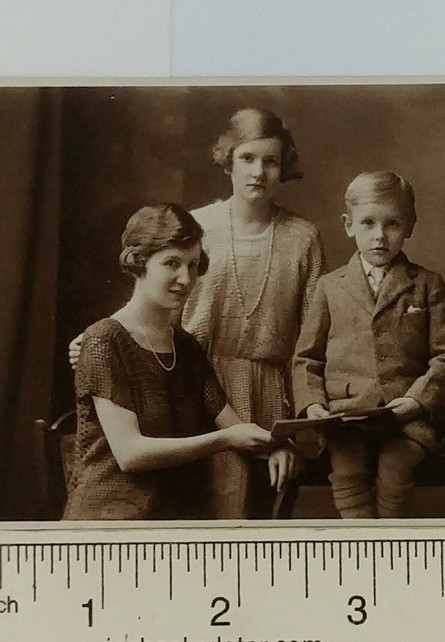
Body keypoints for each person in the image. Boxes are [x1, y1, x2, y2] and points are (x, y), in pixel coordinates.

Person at [71, 108, 322, 518]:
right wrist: (93, 340)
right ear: (227, 158)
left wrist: (288, 436)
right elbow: (146, 309)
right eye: (247, 158)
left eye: (271, 160)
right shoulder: (196, 228)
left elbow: (313, 338)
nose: (258, 171)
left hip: (262, 393)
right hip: (188, 391)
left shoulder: (302, 237)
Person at [63, 203, 280, 521]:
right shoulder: (104, 340)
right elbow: (130, 454)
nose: (186, 279)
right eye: (172, 263)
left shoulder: (185, 347)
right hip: (110, 520)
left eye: (193, 265)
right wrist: (225, 440)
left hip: (176, 515)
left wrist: (278, 446)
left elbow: (235, 427)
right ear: (139, 263)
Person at [292, 171, 445, 518]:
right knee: (348, 466)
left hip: (406, 418)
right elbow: (306, 358)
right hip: (347, 416)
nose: (379, 236)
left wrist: (416, 400)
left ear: (410, 226)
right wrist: (314, 406)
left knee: (396, 465)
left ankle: (389, 539)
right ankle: (361, 539)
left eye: (392, 224)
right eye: (368, 223)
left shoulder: (426, 284)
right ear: (348, 225)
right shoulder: (329, 286)